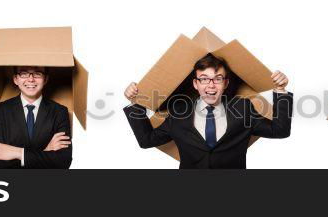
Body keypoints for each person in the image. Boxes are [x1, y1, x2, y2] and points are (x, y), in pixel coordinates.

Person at [123, 54, 292, 169]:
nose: (211, 85)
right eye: (204, 79)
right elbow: (147, 140)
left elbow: (280, 130)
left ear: (225, 84)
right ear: (196, 84)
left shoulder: (243, 108)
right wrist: (135, 103)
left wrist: (280, 90)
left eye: (217, 79)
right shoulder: (179, 112)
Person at [0, 66, 73, 169]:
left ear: (45, 79)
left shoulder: (60, 111)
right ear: (15, 79)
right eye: (24, 74)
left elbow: (63, 161)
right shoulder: (1, 110)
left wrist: (18, 153)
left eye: (37, 74)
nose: (31, 79)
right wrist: (45, 151)